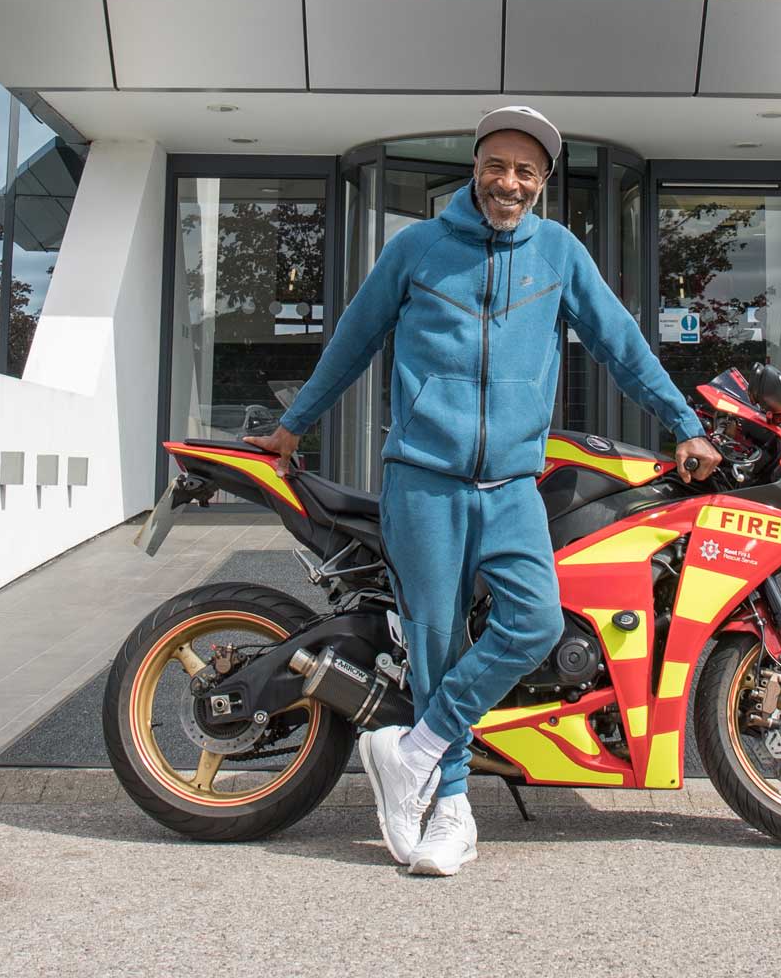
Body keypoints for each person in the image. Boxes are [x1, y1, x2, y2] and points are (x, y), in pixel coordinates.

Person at [246, 105, 721, 877]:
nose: (510, 181)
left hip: (510, 486)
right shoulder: (418, 248)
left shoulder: (560, 254)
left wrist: (683, 422)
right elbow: (353, 340)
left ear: (542, 182)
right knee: (436, 643)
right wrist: (294, 427)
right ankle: (453, 809)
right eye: (497, 165)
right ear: (476, 167)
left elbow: (622, 346)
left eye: (526, 171)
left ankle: (415, 752)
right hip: (423, 482)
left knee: (532, 624)